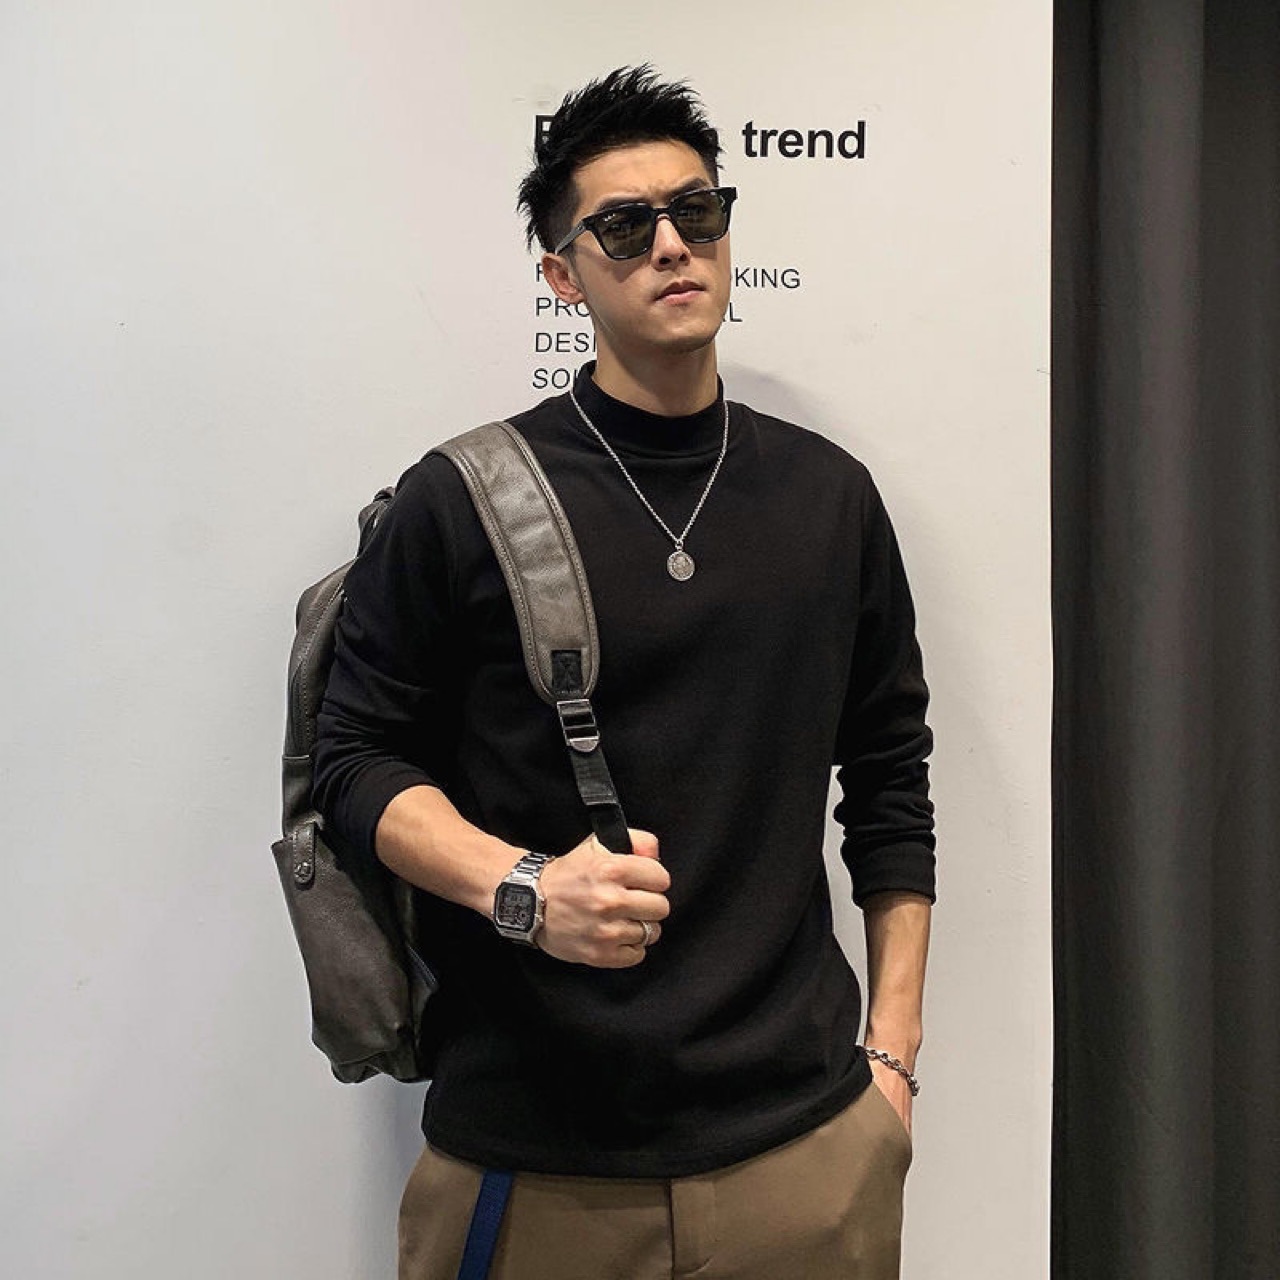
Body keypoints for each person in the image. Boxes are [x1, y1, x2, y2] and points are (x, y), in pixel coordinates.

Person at [314, 65, 935, 1280]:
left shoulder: (828, 497)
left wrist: (893, 1053)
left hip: (806, 1149)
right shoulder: (459, 501)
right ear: (563, 275)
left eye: (694, 210)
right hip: (530, 1158)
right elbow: (351, 761)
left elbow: (888, 778)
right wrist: (522, 886)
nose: (669, 244)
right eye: (622, 225)